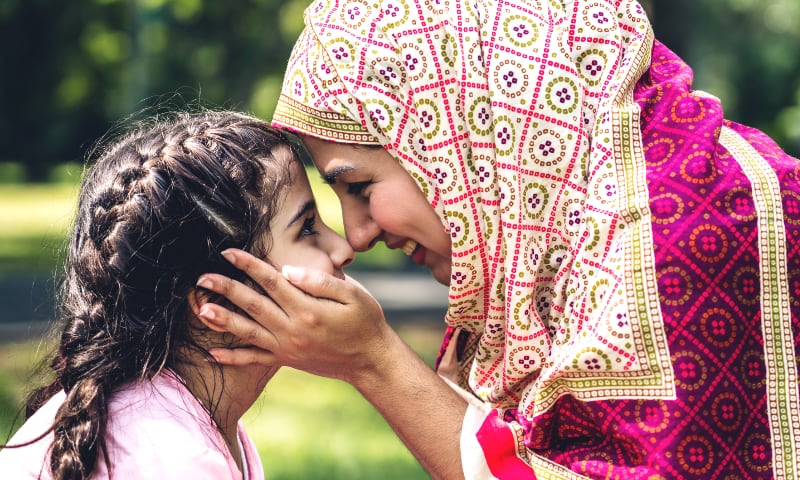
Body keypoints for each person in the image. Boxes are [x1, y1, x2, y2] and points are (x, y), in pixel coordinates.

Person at [194, 0, 800, 478]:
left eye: (359, 187)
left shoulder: (691, 223)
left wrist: (374, 361)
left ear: (455, 137)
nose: (357, 235)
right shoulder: (565, 231)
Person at [0, 110, 354, 479]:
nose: (344, 248)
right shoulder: (168, 455)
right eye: (307, 228)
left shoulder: (180, 416)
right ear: (214, 301)